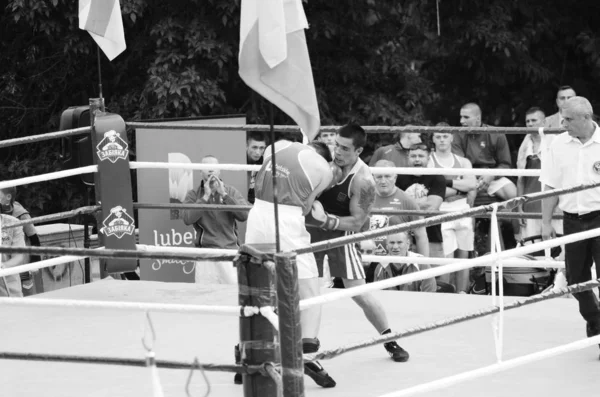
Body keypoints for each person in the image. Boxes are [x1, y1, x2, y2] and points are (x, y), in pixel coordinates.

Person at [307, 123, 410, 363]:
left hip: (340, 236)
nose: (338, 152)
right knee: (297, 290)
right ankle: (269, 347)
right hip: (308, 235)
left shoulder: (363, 181)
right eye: (337, 146)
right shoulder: (322, 164)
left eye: (345, 148)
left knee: (360, 292)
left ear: (359, 151)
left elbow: (356, 222)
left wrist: (327, 221)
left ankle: (390, 341)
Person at [245, 139, 337, 388]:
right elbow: (306, 207)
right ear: (324, 157)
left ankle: (252, 355)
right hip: (286, 222)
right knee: (310, 291)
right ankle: (306, 353)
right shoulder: (324, 170)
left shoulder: (277, 146)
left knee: (259, 289)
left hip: (256, 217)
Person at [540, 96, 600, 357]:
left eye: (568, 119)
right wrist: (544, 222)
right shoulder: (558, 144)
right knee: (576, 280)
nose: (563, 124)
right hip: (572, 219)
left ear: (587, 118)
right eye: (562, 118)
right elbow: (551, 185)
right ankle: (597, 322)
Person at [182, 155, 249, 285]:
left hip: (229, 252)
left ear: (219, 171)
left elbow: (243, 216)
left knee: (233, 295)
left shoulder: (231, 191)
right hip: (206, 255)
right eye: (206, 167)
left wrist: (225, 195)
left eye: (214, 168)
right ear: (200, 171)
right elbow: (187, 219)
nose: (211, 171)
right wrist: (206, 196)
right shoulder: (193, 194)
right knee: (206, 296)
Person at [429, 131, 477, 293]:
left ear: (451, 138)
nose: (442, 140)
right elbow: (432, 189)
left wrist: (445, 182)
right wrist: (459, 188)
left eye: (444, 136)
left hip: (462, 209)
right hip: (442, 210)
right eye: (438, 136)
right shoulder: (429, 161)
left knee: (464, 256)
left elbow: (471, 184)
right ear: (433, 139)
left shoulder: (463, 161)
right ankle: (446, 294)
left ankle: (462, 293)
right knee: (446, 257)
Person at [452, 103, 516, 201]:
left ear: (478, 118)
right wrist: (472, 182)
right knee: (461, 198)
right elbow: (460, 164)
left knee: (513, 194)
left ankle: (518, 217)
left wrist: (492, 174)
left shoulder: (497, 134)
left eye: (466, 117)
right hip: (467, 177)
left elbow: (505, 164)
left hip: (491, 176)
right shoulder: (457, 134)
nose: (461, 121)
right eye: (461, 117)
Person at [516, 107, 562, 239]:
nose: (530, 124)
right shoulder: (524, 146)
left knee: (557, 250)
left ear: (544, 123)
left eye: (534, 120)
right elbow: (520, 179)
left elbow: (561, 178)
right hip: (530, 205)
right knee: (533, 251)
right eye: (527, 121)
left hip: (554, 206)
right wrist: (519, 209)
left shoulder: (555, 142)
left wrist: (555, 209)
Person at [395, 143, 446, 261]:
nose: (417, 159)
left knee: (433, 272)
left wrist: (405, 204)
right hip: (403, 231)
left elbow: (431, 206)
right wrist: (422, 203)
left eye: (421, 156)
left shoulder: (436, 177)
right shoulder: (398, 176)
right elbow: (394, 205)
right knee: (404, 270)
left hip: (431, 230)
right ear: (408, 158)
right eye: (413, 156)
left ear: (428, 158)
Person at [370, 159, 429, 257]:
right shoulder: (363, 198)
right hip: (367, 257)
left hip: (398, 260)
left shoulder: (407, 201)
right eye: (379, 177)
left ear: (395, 178)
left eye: (387, 176)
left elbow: (421, 236)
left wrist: (424, 265)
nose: (383, 181)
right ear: (373, 177)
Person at [0, 186, 42, 296]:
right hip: (8, 255)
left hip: (21, 257)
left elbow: (34, 238)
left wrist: (35, 263)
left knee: (26, 287)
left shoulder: (20, 214)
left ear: (8, 197)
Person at [372, 229, 437, 292]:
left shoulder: (422, 264)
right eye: (392, 243)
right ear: (387, 246)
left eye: (399, 242)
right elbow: (377, 296)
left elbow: (430, 294)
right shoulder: (380, 267)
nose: (395, 246)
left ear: (408, 244)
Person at [0, 213, 27, 297]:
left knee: (15, 308)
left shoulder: (13, 223)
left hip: (9, 281)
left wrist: (3, 266)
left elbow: (19, 256)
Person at [246, 133, 267, 204]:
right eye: (254, 147)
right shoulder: (240, 159)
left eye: (261, 148)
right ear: (246, 146)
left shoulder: (266, 162)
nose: (258, 152)